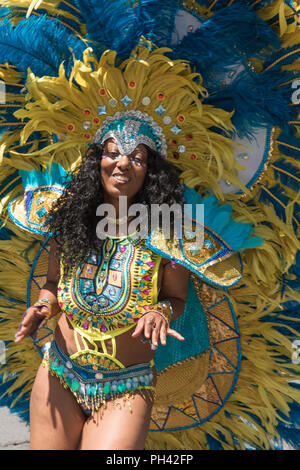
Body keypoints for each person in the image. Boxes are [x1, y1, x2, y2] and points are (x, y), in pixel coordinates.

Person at [14, 134, 190, 450]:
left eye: (137, 158)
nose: (122, 162)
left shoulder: (169, 234)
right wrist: (42, 307)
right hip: (59, 373)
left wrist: (159, 311)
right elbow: (54, 284)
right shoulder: (70, 220)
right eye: (112, 154)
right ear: (99, 162)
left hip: (127, 388)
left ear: (150, 171)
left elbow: (176, 299)